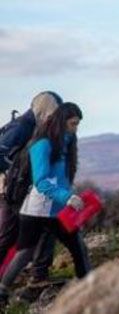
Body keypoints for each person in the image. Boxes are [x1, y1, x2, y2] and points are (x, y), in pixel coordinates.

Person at [0, 102, 91, 307]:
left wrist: (70, 198)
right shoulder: (42, 144)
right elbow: (41, 182)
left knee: (78, 247)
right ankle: (2, 292)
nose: (75, 128)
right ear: (61, 121)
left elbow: (61, 178)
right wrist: (66, 197)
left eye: (77, 124)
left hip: (56, 210)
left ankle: (88, 288)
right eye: (73, 124)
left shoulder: (67, 142)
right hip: (36, 210)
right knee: (25, 253)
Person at [0, 92, 62, 284]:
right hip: (11, 193)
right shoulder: (21, 127)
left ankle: (39, 276)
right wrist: (9, 175)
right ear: (44, 109)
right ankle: (37, 277)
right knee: (8, 238)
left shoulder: (36, 126)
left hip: (23, 191)